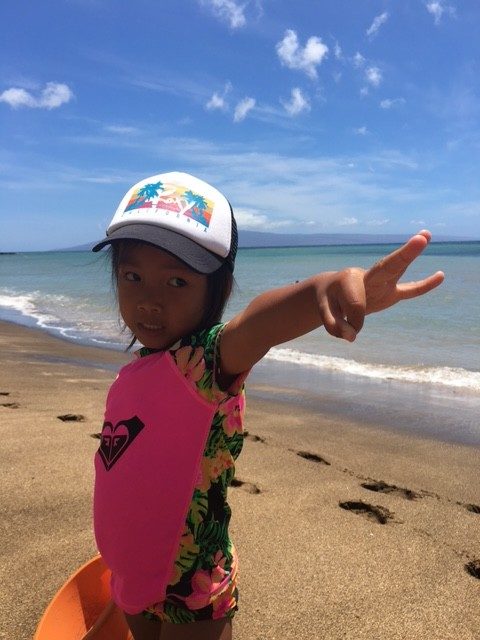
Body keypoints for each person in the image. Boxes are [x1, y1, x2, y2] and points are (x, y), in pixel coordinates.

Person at [91, 171, 444, 640]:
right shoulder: (137, 368)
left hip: (189, 587)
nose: (149, 300)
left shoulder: (203, 366)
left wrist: (325, 288)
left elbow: (259, 324)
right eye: (132, 276)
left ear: (219, 289)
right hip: (130, 573)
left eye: (177, 281)